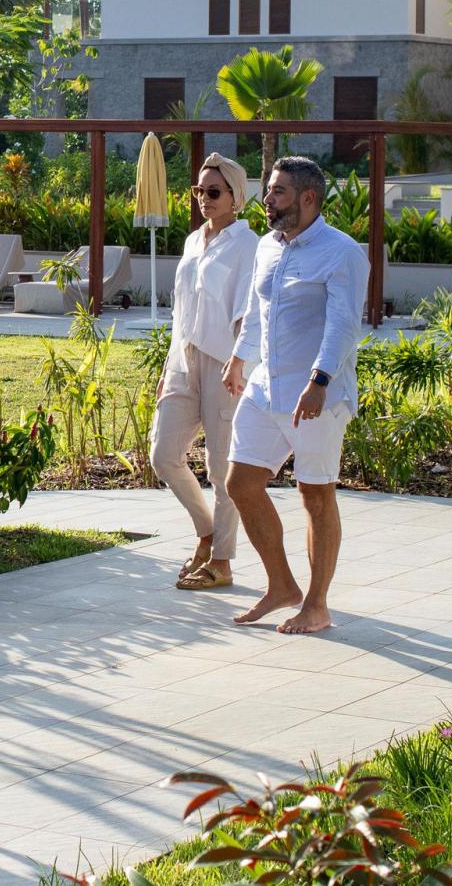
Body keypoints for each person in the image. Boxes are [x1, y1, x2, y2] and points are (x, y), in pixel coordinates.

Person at [220, 155, 368, 634]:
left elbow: (344, 323)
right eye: (268, 190)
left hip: (317, 395)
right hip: (266, 388)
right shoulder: (267, 246)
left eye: (278, 192)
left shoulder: (341, 251)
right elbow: (257, 310)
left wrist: (319, 381)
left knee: (315, 495)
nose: (268, 200)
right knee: (240, 483)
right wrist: (239, 358)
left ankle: (317, 605)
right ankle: (282, 586)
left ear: (308, 198)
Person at [149, 151, 258, 590]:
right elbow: (181, 310)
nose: (203, 198)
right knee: (163, 454)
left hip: (224, 361)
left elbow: (251, 313)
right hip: (184, 358)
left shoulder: (250, 245)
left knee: (221, 466)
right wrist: (167, 364)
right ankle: (207, 531)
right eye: (198, 190)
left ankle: (223, 561)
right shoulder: (194, 242)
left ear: (236, 197)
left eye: (213, 191)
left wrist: (240, 363)